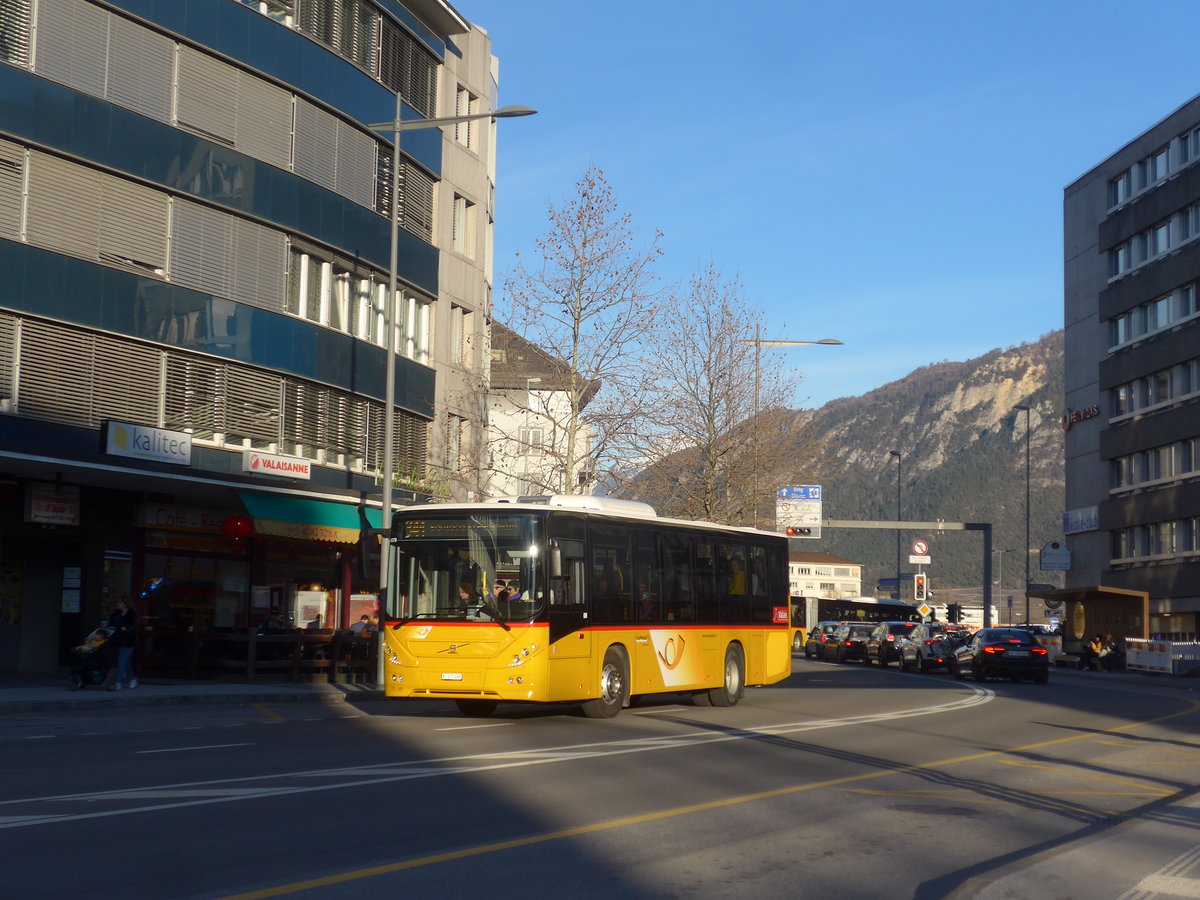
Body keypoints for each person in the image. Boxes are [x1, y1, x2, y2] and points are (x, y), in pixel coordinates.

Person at [106, 597, 139, 691]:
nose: (118, 604)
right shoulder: (116, 613)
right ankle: (133, 679)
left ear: (125, 604)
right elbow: (111, 624)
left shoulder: (132, 614)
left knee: (121, 661)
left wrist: (127, 628)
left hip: (128, 641)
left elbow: (134, 625)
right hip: (118, 640)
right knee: (124, 662)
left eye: (119, 602)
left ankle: (118, 682)